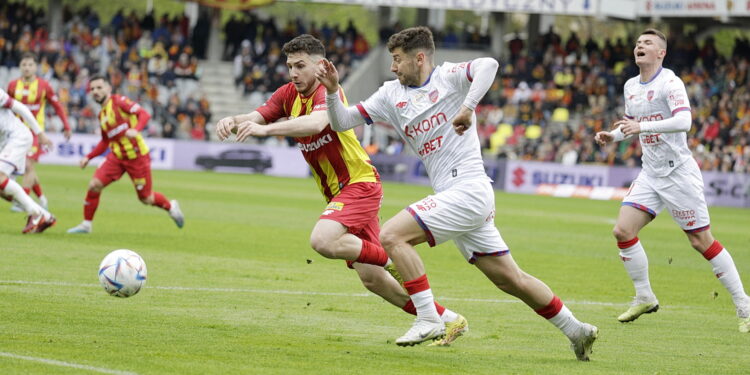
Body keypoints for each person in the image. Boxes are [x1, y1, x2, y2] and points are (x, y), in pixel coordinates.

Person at [317, 26, 598, 359]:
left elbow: (489, 64)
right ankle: (577, 329)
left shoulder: (448, 77)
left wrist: (467, 107)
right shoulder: (391, 94)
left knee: (391, 235)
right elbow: (342, 122)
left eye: (397, 60)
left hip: (469, 189)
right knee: (510, 279)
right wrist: (334, 91)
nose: (392, 67)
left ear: (419, 58)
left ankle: (429, 318)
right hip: (455, 196)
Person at [215, 34, 468, 345]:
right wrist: (234, 121)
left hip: (359, 183)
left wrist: (265, 130)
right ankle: (445, 318)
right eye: (290, 66)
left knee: (322, 240)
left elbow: (316, 124)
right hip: (339, 194)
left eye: (300, 66)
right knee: (372, 279)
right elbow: (255, 116)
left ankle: (388, 258)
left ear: (320, 65)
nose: (294, 73)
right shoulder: (286, 94)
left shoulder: (327, 92)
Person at [595, 29, 750, 332]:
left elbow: (685, 121)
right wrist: (611, 135)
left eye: (647, 43)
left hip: (678, 173)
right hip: (650, 173)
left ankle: (745, 304)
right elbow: (631, 126)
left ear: (660, 53)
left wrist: (640, 127)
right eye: (638, 42)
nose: (640, 46)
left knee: (700, 241)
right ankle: (644, 296)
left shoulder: (670, 82)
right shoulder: (630, 86)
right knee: (623, 230)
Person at [66, 75, 184, 234]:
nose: (95, 91)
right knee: (94, 185)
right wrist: (89, 157)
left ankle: (171, 207)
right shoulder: (102, 115)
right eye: (92, 89)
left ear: (109, 88)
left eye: (99, 87)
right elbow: (105, 141)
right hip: (116, 157)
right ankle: (86, 224)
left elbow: (144, 114)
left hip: (137, 157)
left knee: (146, 198)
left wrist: (136, 129)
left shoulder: (119, 101)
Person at [7, 52, 72, 211]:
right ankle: (42, 200)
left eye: (30, 65)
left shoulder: (44, 86)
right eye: (24, 65)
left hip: (35, 134)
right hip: (14, 133)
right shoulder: (13, 85)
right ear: (20, 67)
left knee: (28, 166)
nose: (27, 68)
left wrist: (66, 125)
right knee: (26, 168)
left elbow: (57, 106)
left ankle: (22, 200)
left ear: (35, 67)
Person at [0, 88, 56, 233]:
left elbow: (21, 108)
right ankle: (45, 215)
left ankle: (36, 214)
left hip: (17, 137)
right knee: (2, 190)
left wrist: (40, 133)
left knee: (0, 177)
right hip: (4, 143)